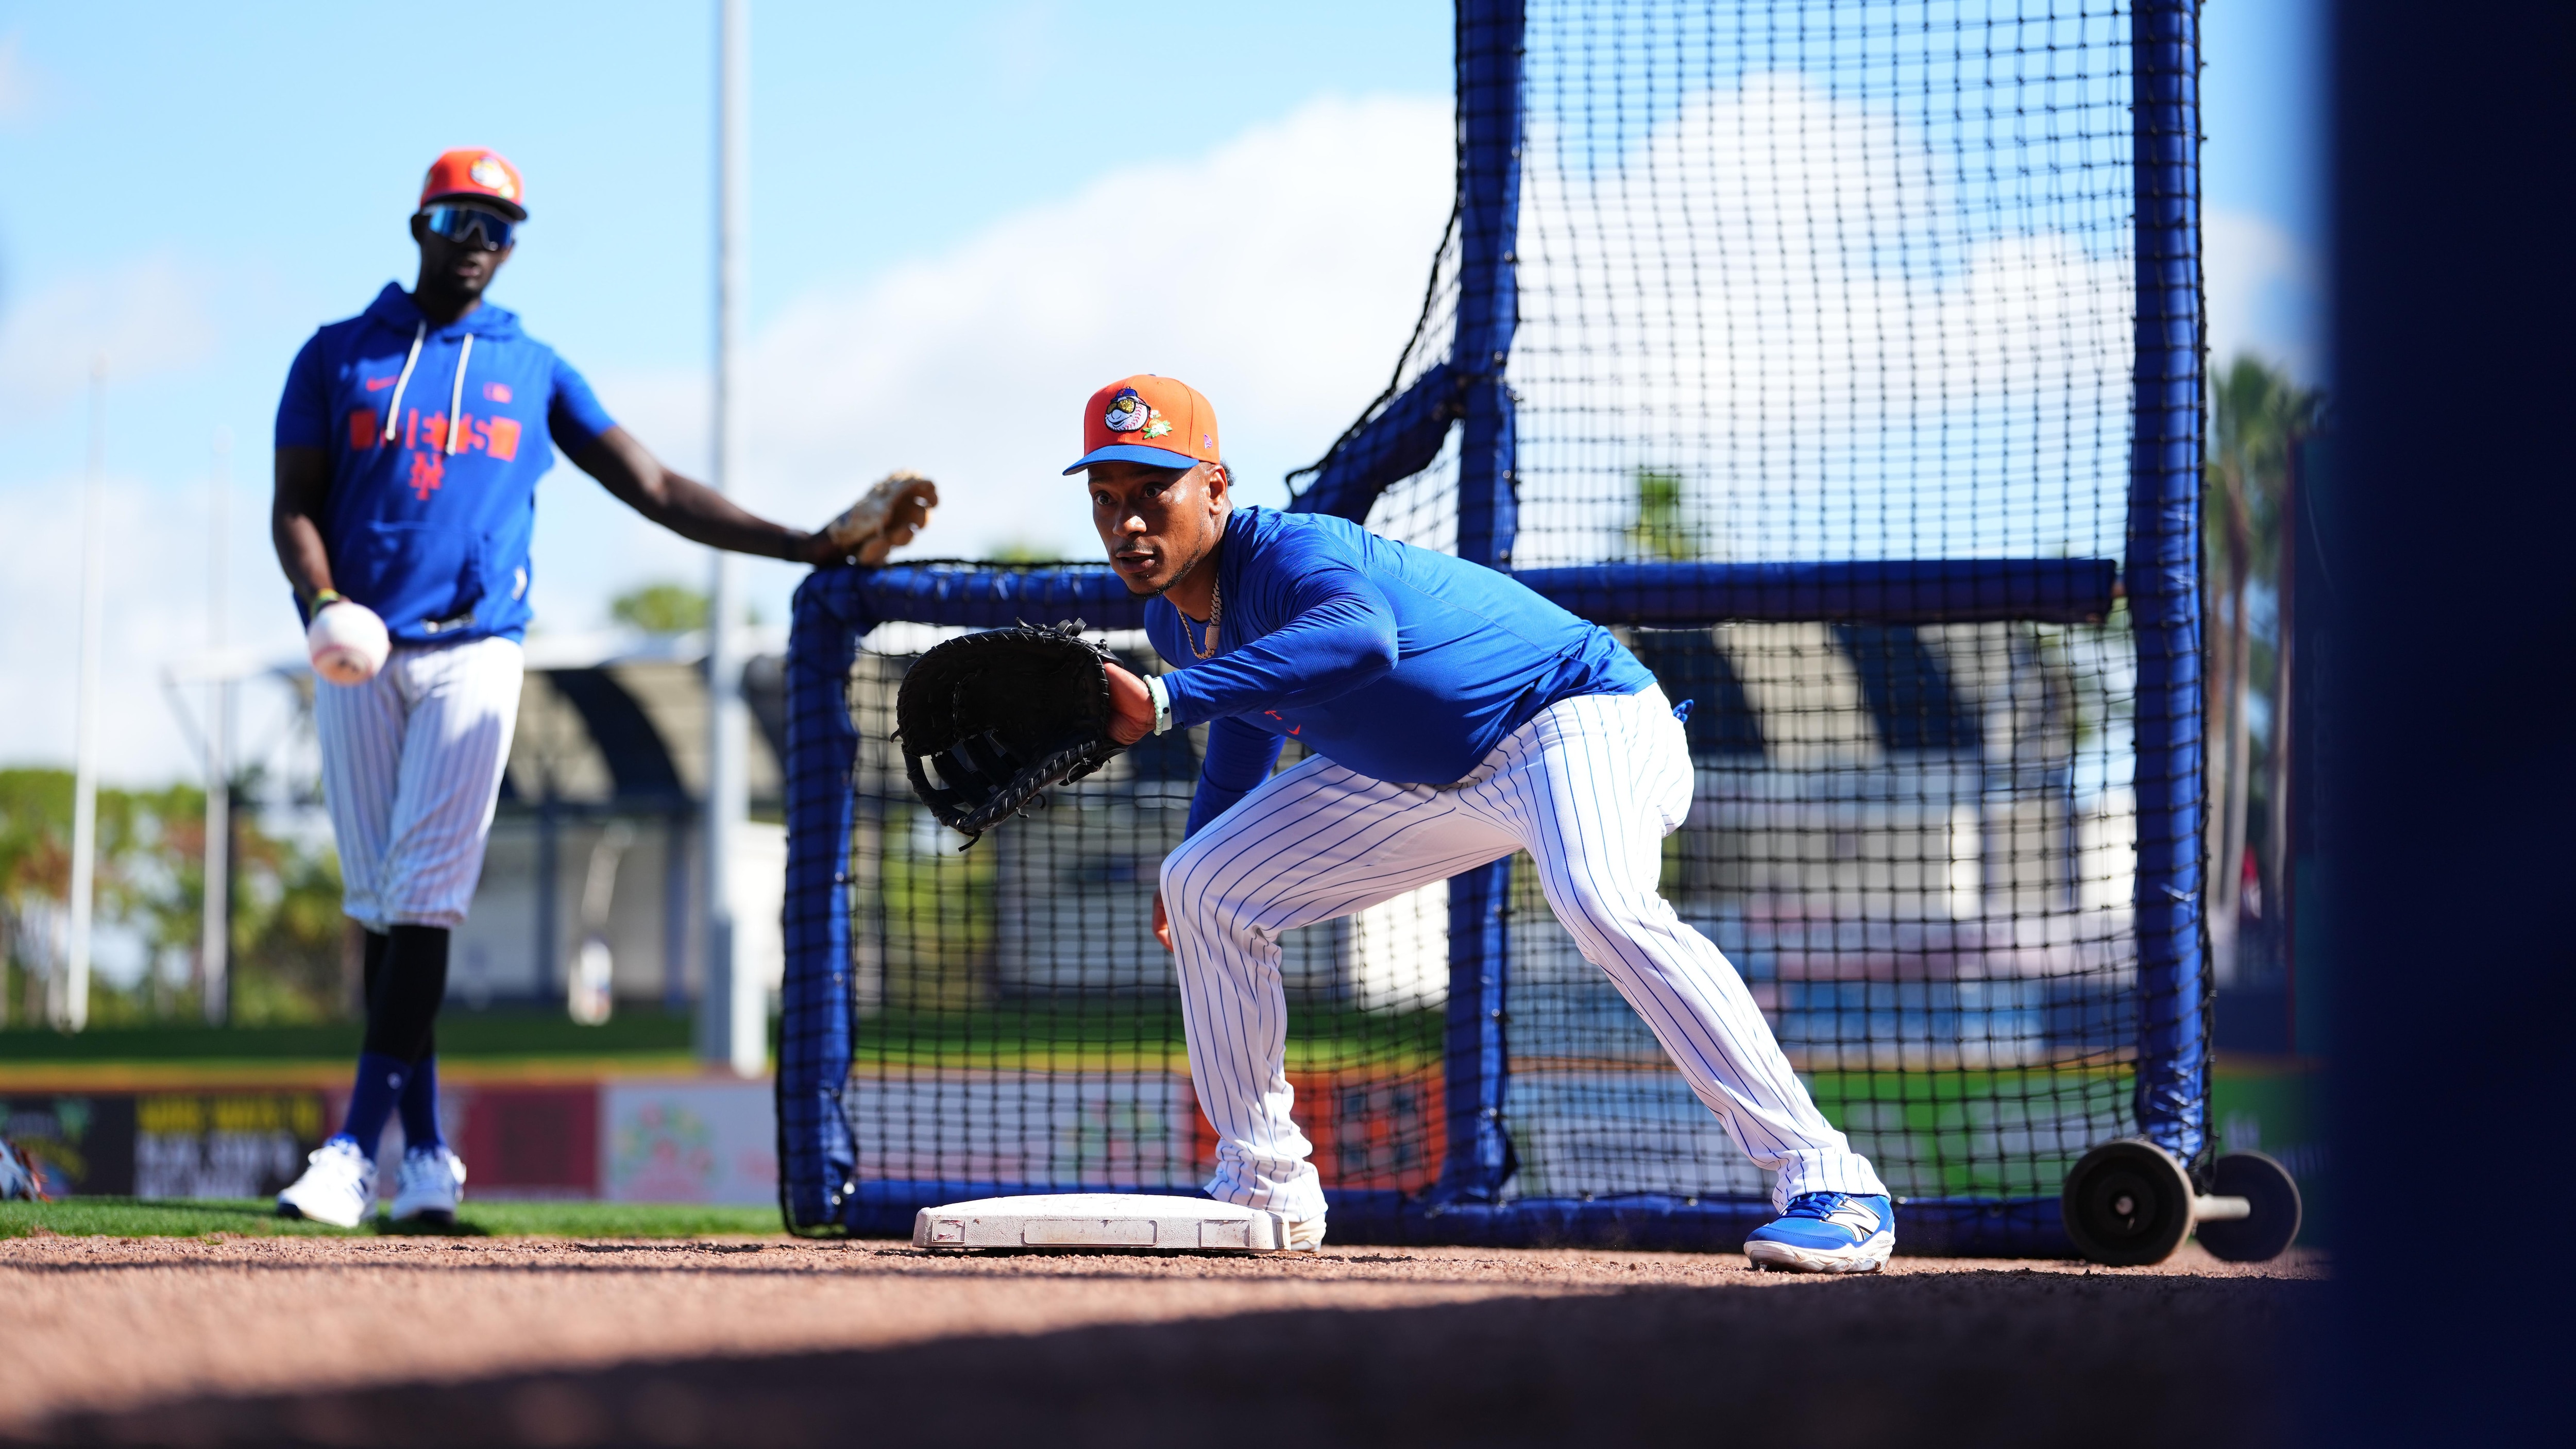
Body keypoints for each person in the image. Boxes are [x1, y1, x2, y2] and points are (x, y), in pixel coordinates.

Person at [1070, 374, 1894, 1272]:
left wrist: (1166, 699)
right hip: (1425, 775)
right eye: (1107, 497)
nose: (1129, 521)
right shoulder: (1174, 623)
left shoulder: (1288, 554)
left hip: (1575, 717)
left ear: (1215, 487)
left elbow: (1360, 638)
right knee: (1204, 885)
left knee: (1600, 898)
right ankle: (1265, 1185)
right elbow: (1244, 727)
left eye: (1154, 490)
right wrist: (1201, 841)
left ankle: (1833, 1183)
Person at [269, 149, 936, 1228]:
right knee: (382, 907)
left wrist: (806, 544)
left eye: (500, 226)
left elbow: (656, 485)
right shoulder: (335, 354)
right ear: (420, 224)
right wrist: (319, 601)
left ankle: (352, 1152)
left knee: (424, 896)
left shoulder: (532, 366)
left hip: (476, 647)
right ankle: (427, 1158)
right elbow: (293, 503)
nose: (479, 240)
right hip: (359, 645)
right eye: (460, 219)